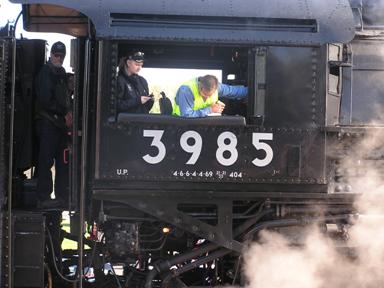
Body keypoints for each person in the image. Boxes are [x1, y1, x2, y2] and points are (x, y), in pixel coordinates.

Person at [35, 41, 71, 209]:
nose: (59, 58)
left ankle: (62, 196)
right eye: (56, 55)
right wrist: (63, 114)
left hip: (60, 125)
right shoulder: (45, 72)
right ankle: (43, 197)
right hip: (49, 123)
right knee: (46, 162)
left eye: (61, 56)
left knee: (63, 163)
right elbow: (44, 100)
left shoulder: (61, 73)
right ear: (51, 55)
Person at [173, 75, 248, 118]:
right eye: (205, 94)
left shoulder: (218, 87)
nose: (207, 98)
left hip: (203, 122)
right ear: (200, 86)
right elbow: (186, 115)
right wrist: (210, 110)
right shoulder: (186, 90)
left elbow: (233, 91)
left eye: (210, 95)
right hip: (180, 124)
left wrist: (252, 92)